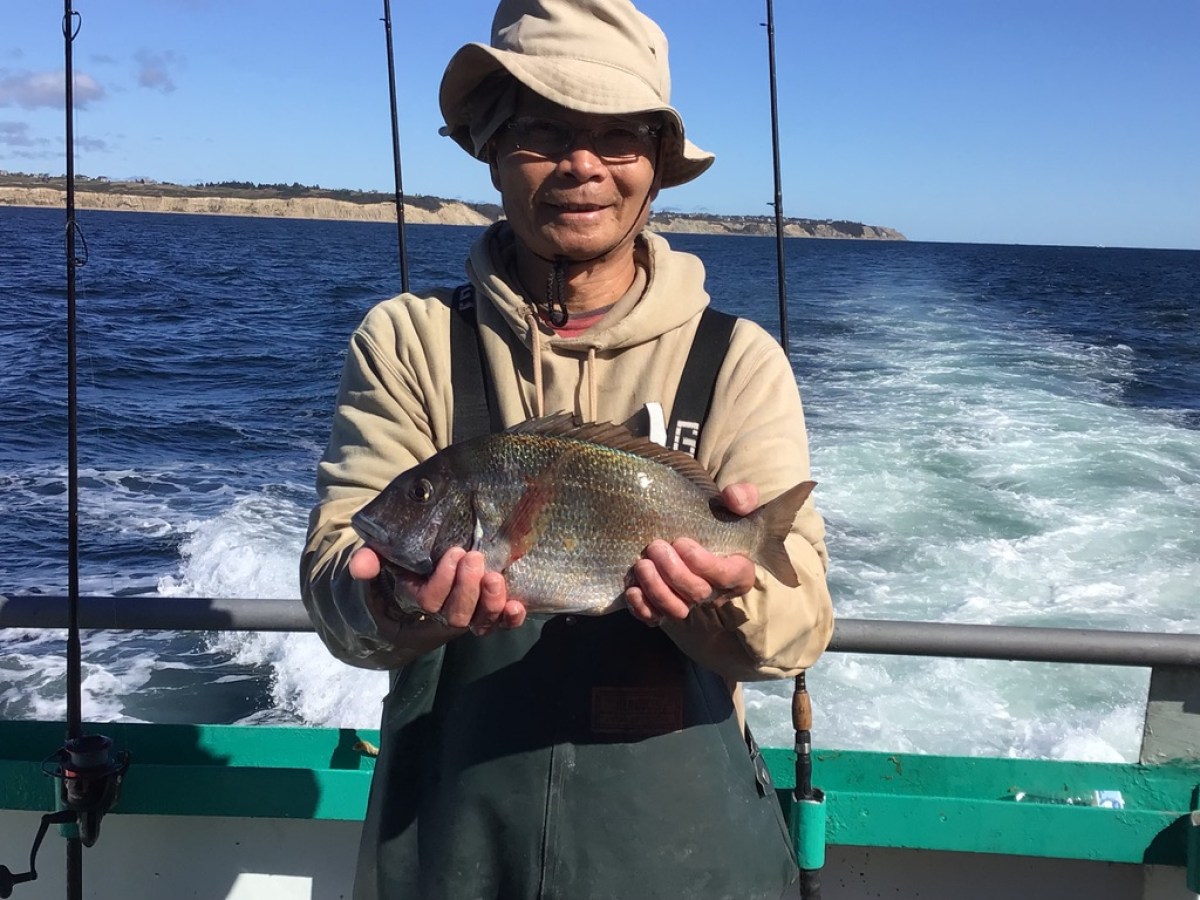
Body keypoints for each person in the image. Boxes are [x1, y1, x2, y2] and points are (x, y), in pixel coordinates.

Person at [301, 0, 834, 897]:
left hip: (681, 856)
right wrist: (403, 603)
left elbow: (801, 628)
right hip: (449, 841)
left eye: (620, 139)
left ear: (657, 169)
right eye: (543, 132)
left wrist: (726, 599)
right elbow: (333, 583)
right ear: (492, 151)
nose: (583, 166)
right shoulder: (407, 340)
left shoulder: (739, 359)